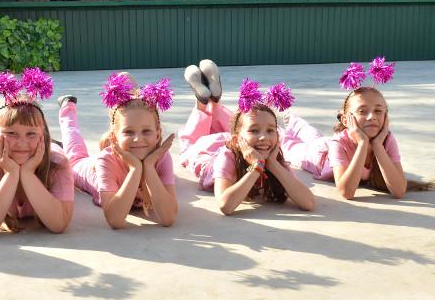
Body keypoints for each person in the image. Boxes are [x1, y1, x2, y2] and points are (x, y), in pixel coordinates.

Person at [280, 58, 430, 199]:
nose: (372, 116)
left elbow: (398, 191)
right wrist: (363, 144)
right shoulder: (339, 143)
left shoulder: (387, 140)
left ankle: (294, 121)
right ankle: (288, 121)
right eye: (362, 111)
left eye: (378, 111)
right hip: (318, 154)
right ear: (346, 120)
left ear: (386, 117)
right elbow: (347, 192)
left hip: (326, 142)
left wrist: (377, 146)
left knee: (314, 135)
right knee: (287, 144)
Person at [179, 61, 315, 215]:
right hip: (209, 150)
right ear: (236, 139)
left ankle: (210, 100)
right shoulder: (227, 156)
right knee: (189, 147)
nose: (264, 137)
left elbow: (308, 203)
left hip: (235, 138)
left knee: (242, 123)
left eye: (271, 130)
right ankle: (203, 102)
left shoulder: (275, 158)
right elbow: (225, 206)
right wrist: (257, 167)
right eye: (255, 131)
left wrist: (272, 164)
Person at [0, 68, 74, 237]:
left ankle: (66, 110)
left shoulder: (57, 163)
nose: (22, 143)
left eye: (31, 133)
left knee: (73, 153)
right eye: (11, 133)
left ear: (42, 134)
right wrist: (11, 173)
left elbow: (59, 223)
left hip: (49, 148)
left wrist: (27, 173)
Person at [57, 73, 177, 229]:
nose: (137, 139)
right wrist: (135, 169)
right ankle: (67, 107)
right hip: (85, 166)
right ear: (113, 136)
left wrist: (148, 167)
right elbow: (115, 220)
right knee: (74, 151)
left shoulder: (162, 158)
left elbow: (168, 218)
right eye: (129, 132)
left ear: (158, 134)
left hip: (119, 150)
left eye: (146, 131)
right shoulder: (106, 160)